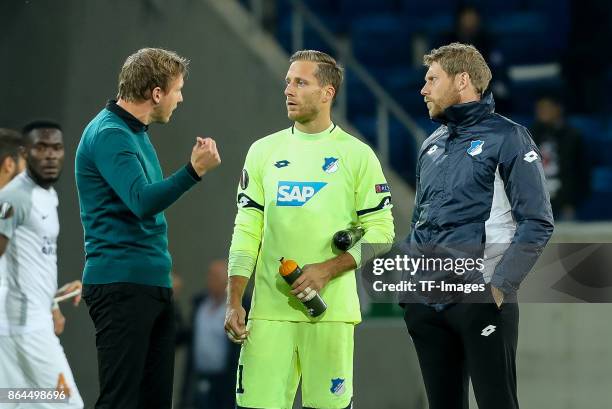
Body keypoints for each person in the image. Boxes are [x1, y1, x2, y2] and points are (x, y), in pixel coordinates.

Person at [225, 50, 395, 409]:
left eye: (300, 82)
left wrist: (327, 270)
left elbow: (382, 234)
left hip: (331, 313)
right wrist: (234, 298)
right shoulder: (262, 152)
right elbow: (246, 229)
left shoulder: (357, 155)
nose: (288, 89)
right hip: (268, 312)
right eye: (288, 81)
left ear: (327, 92)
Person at [404, 43, 554, 409]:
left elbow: (537, 221)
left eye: (432, 79)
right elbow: (420, 220)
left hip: (480, 297)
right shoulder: (431, 146)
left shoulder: (509, 138)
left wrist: (500, 287)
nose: (423, 89)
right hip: (427, 302)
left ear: (463, 80)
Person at [76, 48, 221, 409]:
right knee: (121, 400)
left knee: (155, 402)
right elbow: (142, 201)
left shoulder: (134, 131)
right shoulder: (110, 134)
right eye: (178, 89)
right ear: (156, 93)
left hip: (149, 284)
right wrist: (193, 171)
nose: (181, 98)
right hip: (122, 285)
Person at [0, 120, 84, 408]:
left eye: (57, 148)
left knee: (14, 400)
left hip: (29, 323)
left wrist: (51, 301)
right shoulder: (14, 199)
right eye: (41, 148)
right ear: (25, 153)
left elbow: (29, 259)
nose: (50, 155)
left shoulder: (47, 195)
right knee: (68, 403)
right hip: (23, 329)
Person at [180, 259, 247, 409]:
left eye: (216, 276)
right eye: (210, 276)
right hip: (199, 377)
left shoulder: (238, 307)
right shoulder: (200, 304)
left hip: (226, 380)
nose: (211, 280)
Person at [530, 95, 589, 220]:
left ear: (558, 109)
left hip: (565, 204)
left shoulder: (572, 136)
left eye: (547, 108)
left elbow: (582, 172)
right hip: (535, 204)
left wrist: (572, 202)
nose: (542, 112)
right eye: (540, 108)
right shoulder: (528, 136)